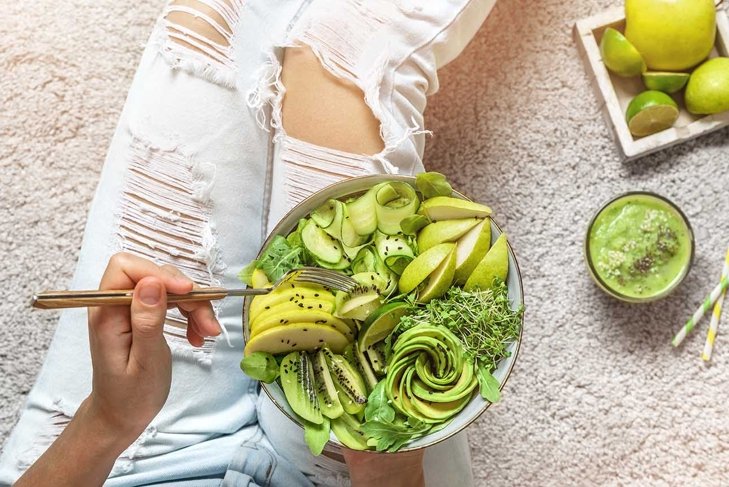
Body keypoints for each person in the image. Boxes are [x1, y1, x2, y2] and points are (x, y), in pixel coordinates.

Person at [0, 0, 497, 485]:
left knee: (213, 19)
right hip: (358, 459)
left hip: (125, 457)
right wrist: (393, 473)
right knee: (349, 45)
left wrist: (107, 420)